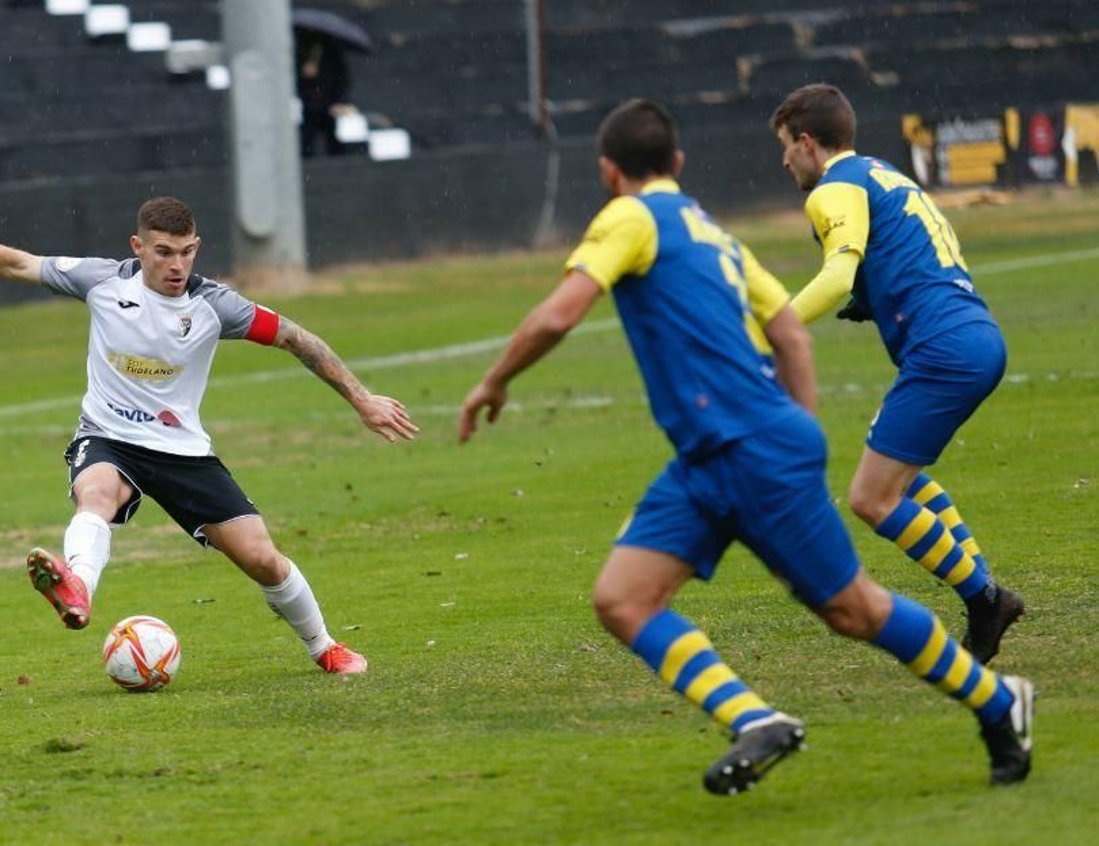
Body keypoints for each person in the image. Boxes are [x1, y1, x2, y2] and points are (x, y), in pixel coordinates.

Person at [458, 99, 1034, 793]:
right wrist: (802, 427)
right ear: (677, 162)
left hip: (752, 449)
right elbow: (790, 335)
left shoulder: (629, 216)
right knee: (622, 599)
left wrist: (493, 381)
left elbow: (560, 312)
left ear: (609, 171)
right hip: (709, 457)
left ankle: (1000, 700)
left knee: (855, 609)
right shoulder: (718, 236)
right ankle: (756, 720)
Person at [0, 197, 417, 674]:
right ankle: (77, 589)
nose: (177, 265)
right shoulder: (101, 281)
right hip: (108, 437)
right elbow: (13, 261)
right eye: (164, 252)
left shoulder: (216, 306)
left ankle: (323, 646)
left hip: (182, 452)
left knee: (262, 559)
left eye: (187, 252)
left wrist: (362, 398)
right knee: (95, 494)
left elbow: (296, 338)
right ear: (138, 246)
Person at [771, 84, 1023, 664]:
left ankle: (984, 597)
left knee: (869, 498)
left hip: (944, 348)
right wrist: (873, 295)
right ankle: (985, 598)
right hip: (974, 335)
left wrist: (769, 328)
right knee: (898, 481)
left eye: (786, 146)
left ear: (807, 142)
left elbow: (836, 275)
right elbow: (907, 251)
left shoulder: (832, 189)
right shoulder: (882, 174)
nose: (784, 159)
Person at [296, 30, 351, 158]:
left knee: (333, 138)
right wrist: (304, 73)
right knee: (307, 140)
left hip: (329, 103)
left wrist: (339, 101)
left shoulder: (333, 54)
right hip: (310, 103)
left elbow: (341, 79)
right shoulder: (303, 52)